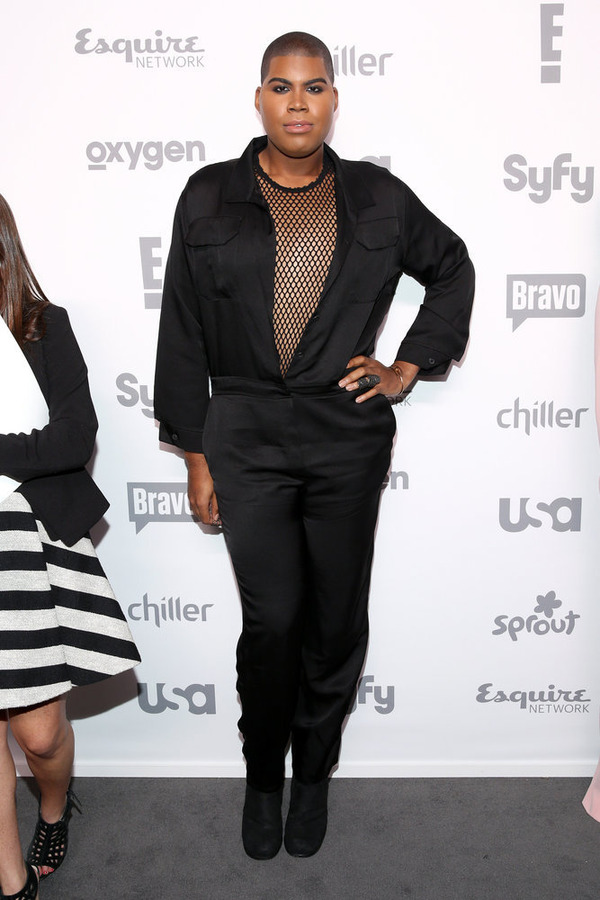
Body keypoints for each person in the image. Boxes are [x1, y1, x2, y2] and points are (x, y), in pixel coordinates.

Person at [154, 31, 475, 860]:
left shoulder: (379, 197)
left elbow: (452, 266)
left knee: (336, 622)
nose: (298, 102)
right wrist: (195, 454)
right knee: (273, 623)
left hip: (345, 434)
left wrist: (409, 365)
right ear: (258, 99)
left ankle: (315, 776)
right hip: (246, 431)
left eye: (315, 86)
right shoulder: (207, 197)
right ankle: (265, 778)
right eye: (281, 86)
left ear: (335, 99)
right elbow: (183, 331)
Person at [0, 194, 140, 900]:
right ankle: (10, 878)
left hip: (25, 540)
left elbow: (72, 440)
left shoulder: (42, 328)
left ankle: (53, 806)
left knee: (41, 737)